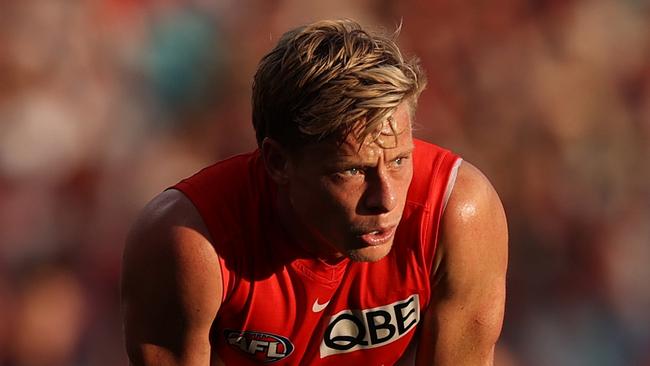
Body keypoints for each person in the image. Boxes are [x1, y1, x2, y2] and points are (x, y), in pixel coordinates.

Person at [121, 19, 508, 365]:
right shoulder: (191, 243)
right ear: (277, 162)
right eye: (353, 170)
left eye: (399, 161)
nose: (386, 199)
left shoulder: (456, 214)